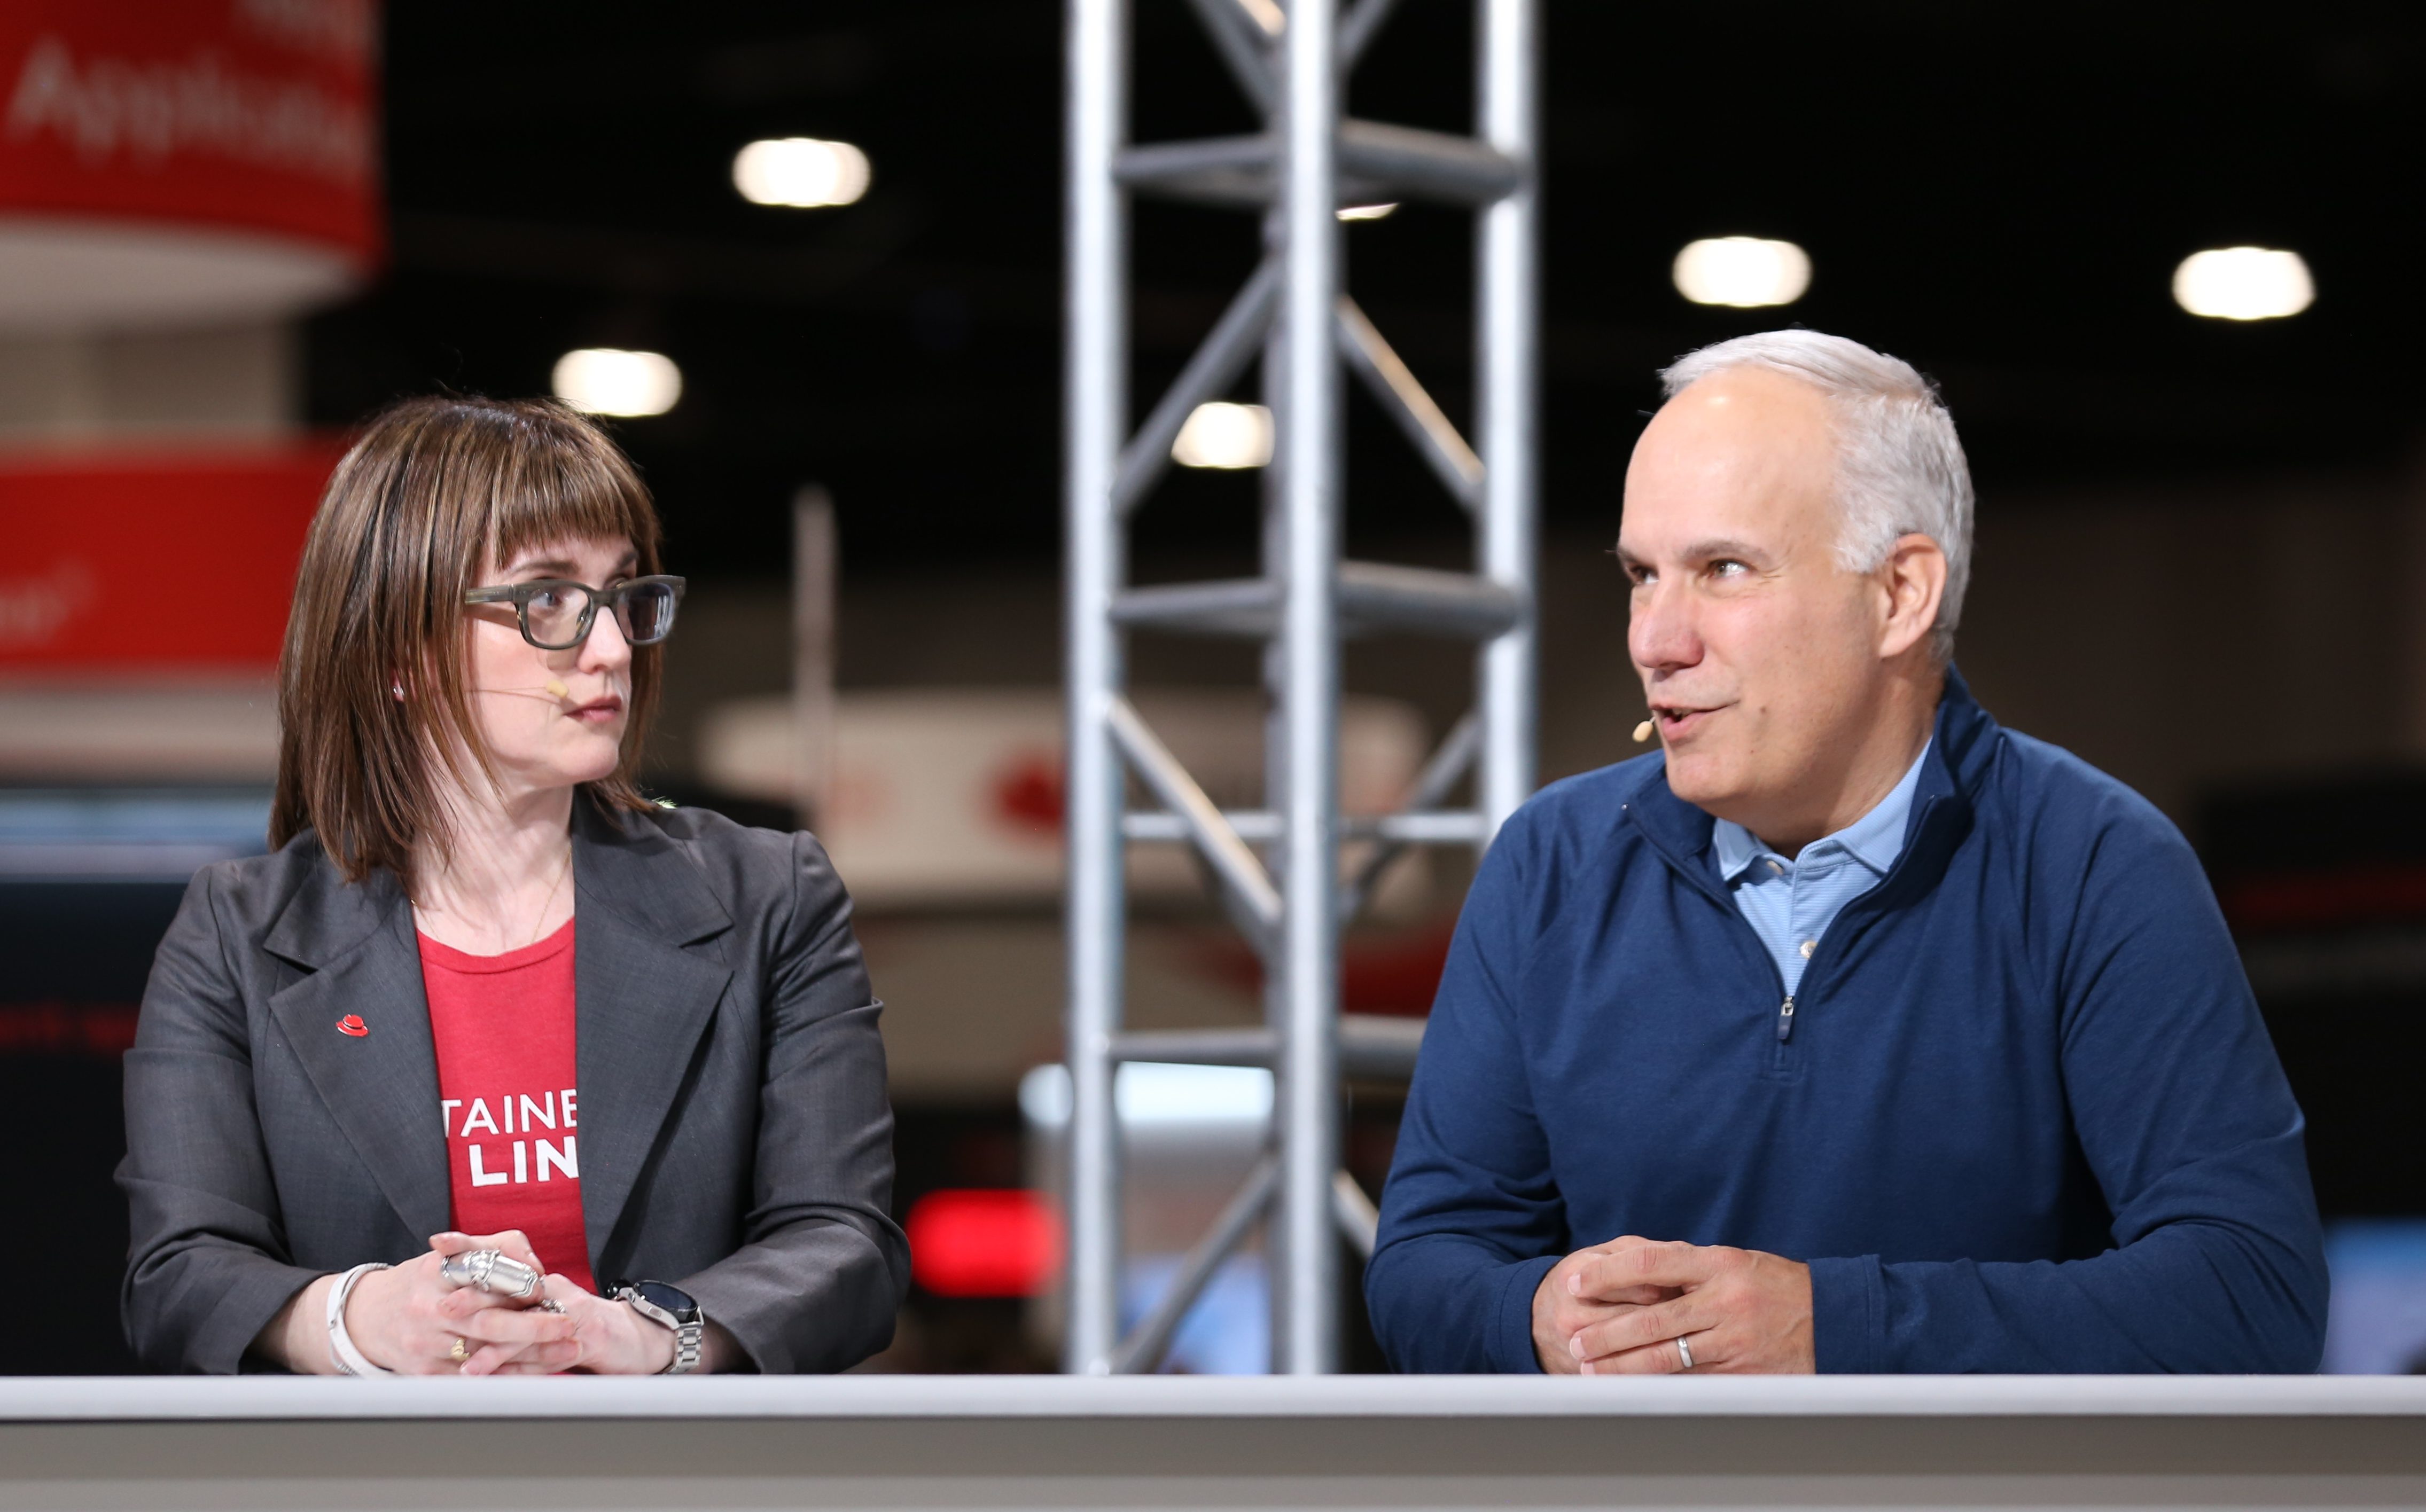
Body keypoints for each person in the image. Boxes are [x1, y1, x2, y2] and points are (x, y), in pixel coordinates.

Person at [1365, 331, 2327, 1375]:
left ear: (1900, 595)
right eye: (1644, 576)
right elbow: (1425, 1268)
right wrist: (1539, 1315)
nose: (1656, 639)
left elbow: (2250, 1294)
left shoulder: (2097, 865)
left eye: (1723, 570)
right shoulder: (1550, 865)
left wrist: (1836, 1329)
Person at [120, 396, 907, 1375]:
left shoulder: (769, 899)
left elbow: (846, 1246)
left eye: (621, 596)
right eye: (546, 602)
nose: (613, 647)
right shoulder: (237, 934)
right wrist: (361, 1317)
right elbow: (180, 1273)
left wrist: (649, 1335)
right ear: (399, 650)